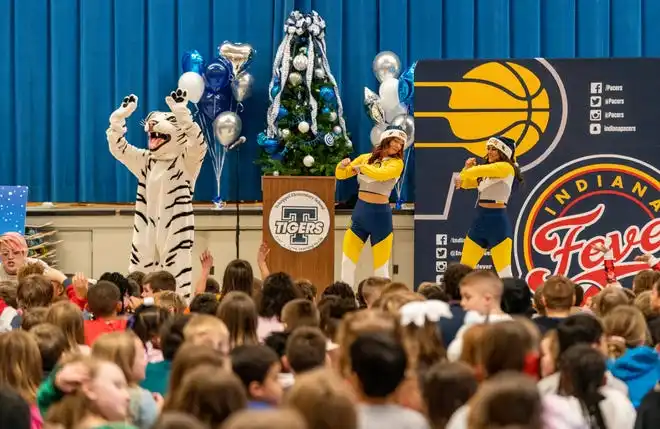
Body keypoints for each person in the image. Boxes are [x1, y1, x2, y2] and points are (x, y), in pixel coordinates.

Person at [335, 126, 406, 287]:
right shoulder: (364, 158)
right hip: (360, 214)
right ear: (386, 139)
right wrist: (342, 165)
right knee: (347, 262)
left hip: (380, 217)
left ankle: (383, 304)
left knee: (381, 269)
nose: (398, 146)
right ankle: (345, 300)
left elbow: (380, 174)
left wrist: (360, 168)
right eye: (396, 140)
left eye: (401, 143)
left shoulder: (397, 164)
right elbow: (341, 175)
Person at [455, 136, 523, 277]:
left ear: (503, 153)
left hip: (497, 225)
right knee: (463, 271)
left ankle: (517, 299)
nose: (490, 152)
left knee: (505, 275)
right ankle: (457, 299)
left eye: (495, 150)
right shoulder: (486, 173)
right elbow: (463, 183)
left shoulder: (506, 168)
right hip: (479, 222)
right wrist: (466, 168)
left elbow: (470, 174)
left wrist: (467, 172)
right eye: (489, 148)